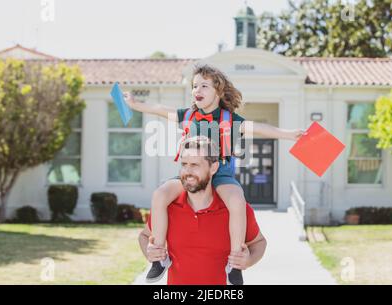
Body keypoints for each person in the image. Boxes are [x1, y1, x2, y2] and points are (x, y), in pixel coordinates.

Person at [125, 64, 305, 284]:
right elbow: (160, 109)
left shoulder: (230, 120)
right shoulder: (188, 116)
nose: (197, 90)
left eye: (204, 85)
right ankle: (160, 259)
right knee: (160, 195)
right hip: (192, 172)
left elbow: (259, 128)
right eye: (194, 86)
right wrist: (135, 104)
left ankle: (235, 262)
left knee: (237, 200)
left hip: (222, 174)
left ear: (218, 92)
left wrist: (290, 134)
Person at [138, 136, 267, 285]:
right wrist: (150, 252)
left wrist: (248, 260)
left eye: (195, 165)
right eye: (184, 164)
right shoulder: (168, 207)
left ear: (213, 168)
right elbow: (144, 236)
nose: (187, 171)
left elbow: (259, 242)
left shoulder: (235, 209)